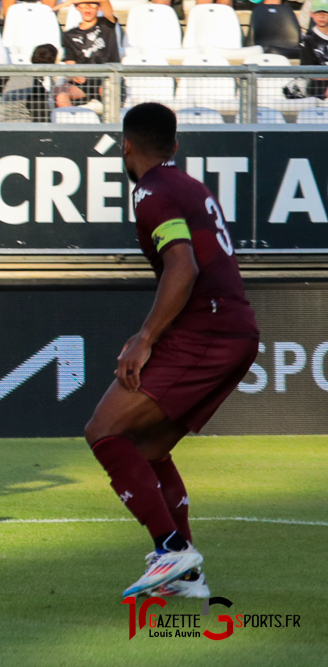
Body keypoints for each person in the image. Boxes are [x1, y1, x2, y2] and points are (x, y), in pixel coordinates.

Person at [84, 103, 259, 598]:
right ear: (174, 146)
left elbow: (183, 267)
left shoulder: (151, 192)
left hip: (207, 331)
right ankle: (188, 575)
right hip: (234, 329)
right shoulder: (190, 186)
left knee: (104, 429)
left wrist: (145, 338)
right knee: (148, 449)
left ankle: (171, 550)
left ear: (127, 146)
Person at [55, 0, 118, 112]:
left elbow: (104, 1)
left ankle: (111, 126)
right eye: (83, 5)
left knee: (106, 90)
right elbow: (70, 62)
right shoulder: (69, 35)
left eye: (92, 5)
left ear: (98, 8)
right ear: (77, 7)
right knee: (60, 91)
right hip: (85, 83)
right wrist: (75, 75)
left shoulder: (106, 24)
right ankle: (74, 124)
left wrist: (70, 1)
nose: (88, 8)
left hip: (107, 78)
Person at [0, 43, 57, 122]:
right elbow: (40, 115)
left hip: (3, 122)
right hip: (22, 125)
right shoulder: (36, 85)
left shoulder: (16, 77)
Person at [300, 0, 328, 98]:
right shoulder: (308, 40)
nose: (322, 16)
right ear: (311, 14)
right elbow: (307, 71)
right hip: (317, 89)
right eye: (318, 12)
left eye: (325, 13)